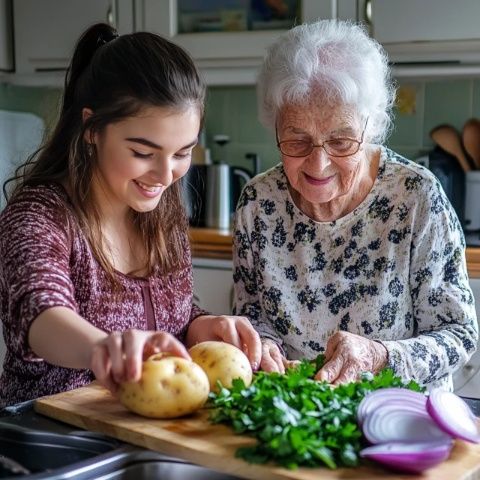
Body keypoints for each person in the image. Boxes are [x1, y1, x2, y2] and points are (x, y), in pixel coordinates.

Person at [0, 23, 261, 407]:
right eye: (143, 153)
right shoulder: (38, 216)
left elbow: (171, 316)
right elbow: (40, 314)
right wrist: (103, 348)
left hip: (138, 432)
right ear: (92, 128)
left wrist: (202, 326)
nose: (165, 174)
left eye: (183, 153)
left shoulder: (161, 215)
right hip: (45, 437)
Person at [232, 20, 478, 390]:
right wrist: (260, 343)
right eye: (297, 141)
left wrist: (378, 356)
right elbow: (249, 313)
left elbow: (459, 334)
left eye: (341, 142)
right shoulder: (258, 203)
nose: (319, 164)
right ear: (275, 127)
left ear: (371, 128)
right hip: (297, 416)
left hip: (398, 419)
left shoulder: (415, 197)